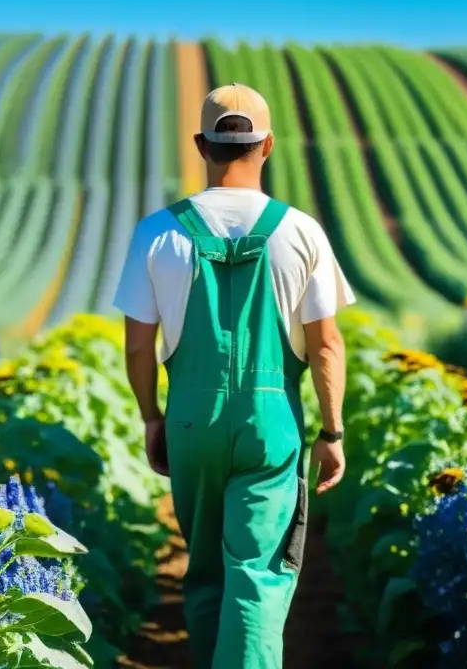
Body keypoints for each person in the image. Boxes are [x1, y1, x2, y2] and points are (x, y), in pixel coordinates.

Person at [113, 82, 354, 669]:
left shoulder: (157, 232)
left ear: (202, 145)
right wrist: (332, 431)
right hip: (270, 422)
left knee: (204, 574)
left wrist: (152, 417)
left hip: (191, 420)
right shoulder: (300, 231)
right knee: (258, 575)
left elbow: (139, 348)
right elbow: (325, 346)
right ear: (267, 145)